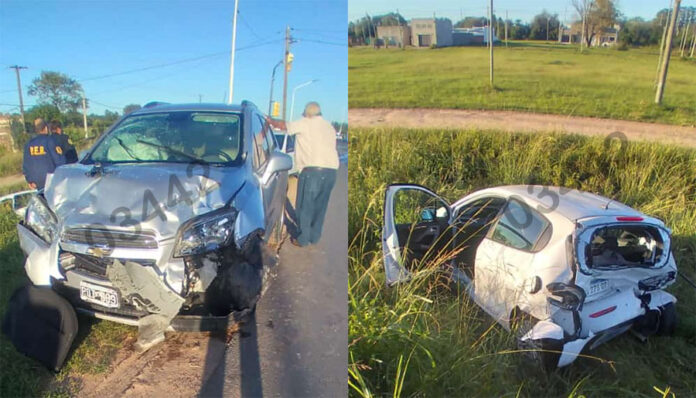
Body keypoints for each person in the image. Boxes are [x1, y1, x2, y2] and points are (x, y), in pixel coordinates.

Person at [270, 102, 339, 246]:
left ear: (307, 114)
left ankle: (302, 239)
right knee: (321, 205)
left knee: (304, 206)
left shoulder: (306, 122)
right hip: (331, 171)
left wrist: (271, 121)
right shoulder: (329, 127)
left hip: (312, 171)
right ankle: (314, 236)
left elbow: (284, 126)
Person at [22, 118, 67, 190]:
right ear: (46, 128)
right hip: (52, 182)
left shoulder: (29, 144)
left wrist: (29, 180)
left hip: (37, 184)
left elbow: (26, 166)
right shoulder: (50, 141)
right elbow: (60, 161)